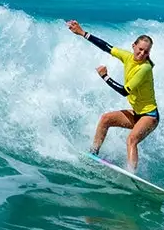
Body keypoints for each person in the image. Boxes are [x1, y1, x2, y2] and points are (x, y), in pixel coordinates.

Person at [66, 20, 158, 173]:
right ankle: (93, 153)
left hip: (150, 115)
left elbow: (124, 91)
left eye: (146, 52)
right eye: (140, 49)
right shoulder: (127, 57)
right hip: (137, 114)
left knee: (131, 140)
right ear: (133, 46)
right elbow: (106, 47)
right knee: (106, 119)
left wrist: (105, 77)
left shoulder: (145, 69)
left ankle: (131, 173)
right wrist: (82, 33)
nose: (142, 54)